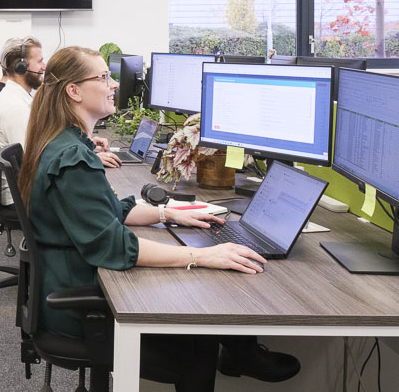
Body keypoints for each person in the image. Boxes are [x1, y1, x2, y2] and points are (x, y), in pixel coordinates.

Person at [17, 46, 299, 389]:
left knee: (199, 308)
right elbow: (111, 244)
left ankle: (240, 349)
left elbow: (110, 211)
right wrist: (201, 255)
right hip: (80, 313)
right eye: (104, 77)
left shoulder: (67, 143)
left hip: (67, 286)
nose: (114, 85)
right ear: (74, 91)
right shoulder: (74, 157)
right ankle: (238, 351)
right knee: (198, 337)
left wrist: (168, 212)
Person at [0, 37, 119, 204]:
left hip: (29, 185)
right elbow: (32, 158)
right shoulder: (14, 107)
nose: (44, 66)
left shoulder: (19, 98)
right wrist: (83, 160)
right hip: (22, 195)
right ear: (21, 67)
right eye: (40, 61)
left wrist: (87, 147)